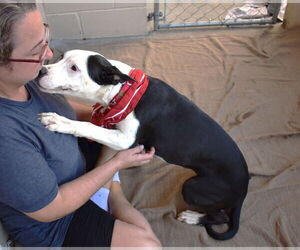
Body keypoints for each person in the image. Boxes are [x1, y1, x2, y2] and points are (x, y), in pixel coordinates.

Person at [0, 2, 161, 247]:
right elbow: (50, 209)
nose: (49, 54)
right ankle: (111, 192)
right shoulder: (5, 137)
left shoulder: (28, 78)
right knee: (148, 245)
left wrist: (120, 114)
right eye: (36, 51)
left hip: (73, 158)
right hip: (54, 219)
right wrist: (117, 164)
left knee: (118, 130)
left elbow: (69, 111)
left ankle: (105, 189)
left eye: (46, 37)